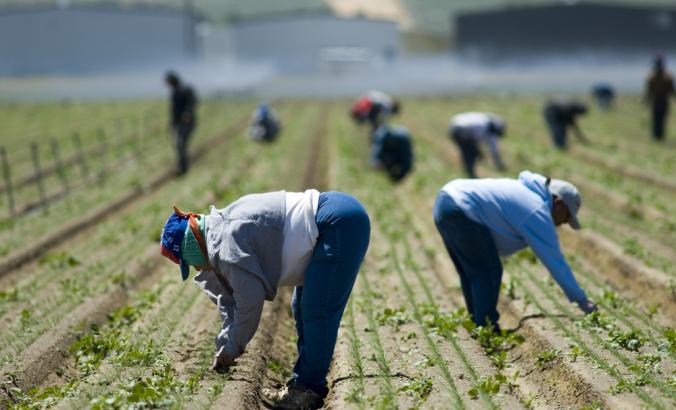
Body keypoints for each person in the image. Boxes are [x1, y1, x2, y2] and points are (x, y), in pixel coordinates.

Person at [160, 190, 370, 409]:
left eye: (189, 262)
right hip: (336, 212)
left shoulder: (227, 245)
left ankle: (310, 388)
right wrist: (224, 343)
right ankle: (301, 383)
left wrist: (233, 347)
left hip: (338, 223)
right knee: (301, 307)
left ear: (191, 249)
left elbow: (249, 302)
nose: (196, 268)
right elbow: (229, 299)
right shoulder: (219, 229)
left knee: (317, 310)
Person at [432, 170, 597, 331]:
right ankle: (487, 327)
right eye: (567, 217)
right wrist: (581, 300)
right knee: (488, 270)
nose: (564, 223)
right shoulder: (536, 210)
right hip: (461, 208)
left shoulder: (526, 194)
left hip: (446, 200)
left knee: (473, 272)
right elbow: (555, 260)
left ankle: (478, 323)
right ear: (559, 203)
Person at [449, 112, 507, 178]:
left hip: (455, 126)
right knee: (471, 153)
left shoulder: (484, 121)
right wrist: (499, 165)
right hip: (461, 130)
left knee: (470, 152)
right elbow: (494, 151)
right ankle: (470, 173)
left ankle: (469, 172)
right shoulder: (486, 128)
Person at [165, 71, 198, 175]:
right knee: (179, 145)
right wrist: (172, 123)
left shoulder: (186, 90)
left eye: (168, 82)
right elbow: (174, 111)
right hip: (178, 123)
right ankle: (182, 166)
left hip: (187, 123)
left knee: (181, 145)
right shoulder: (174, 93)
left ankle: (184, 168)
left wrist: (187, 113)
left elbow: (192, 102)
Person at [644, 55, 675, 141]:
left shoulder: (652, 76)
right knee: (659, 118)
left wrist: (646, 99)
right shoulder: (667, 76)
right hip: (661, 100)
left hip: (659, 100)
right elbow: (672, 90)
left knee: (658, 118)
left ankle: (657, 136)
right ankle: (658, 136)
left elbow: (649, 90)